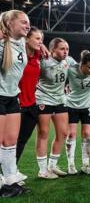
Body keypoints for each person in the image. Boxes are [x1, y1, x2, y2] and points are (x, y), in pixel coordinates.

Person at [0, 10, 31, 197]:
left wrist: (41, 45)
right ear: (10, 24)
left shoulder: (20, 42)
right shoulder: (2, 44)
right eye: (23, 22)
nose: (28, 25)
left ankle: (11, 178)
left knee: (11, 141)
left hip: (12, 97)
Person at [35, 37, 76, 178]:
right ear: (52, 50)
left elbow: (81, 71)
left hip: (59, 99)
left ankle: (52, 166)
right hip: (43, 99)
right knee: (43, 133)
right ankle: (42, 170)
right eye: (62, 49)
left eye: (67, 49)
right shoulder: (43, 61)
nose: (65, 52)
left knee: (63, 133)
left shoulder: (68, 61)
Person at [65, 51, 90, 175]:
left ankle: (85, 165)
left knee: (86, 134)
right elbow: (62, 59)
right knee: (71, 135)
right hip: (71, 105)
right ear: (82, 64)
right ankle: (71, 165)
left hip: (89, 105)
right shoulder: (71, 68)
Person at [16, 27, 44, 162]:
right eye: (37, 39)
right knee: (8, 141)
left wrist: (42, 45)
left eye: (42, 39)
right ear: (26, 38)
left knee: (22, 140)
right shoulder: (17, 54)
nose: (40, 42)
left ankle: (11, 171)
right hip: (16, 103)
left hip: (32, 104)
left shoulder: (38, 55)